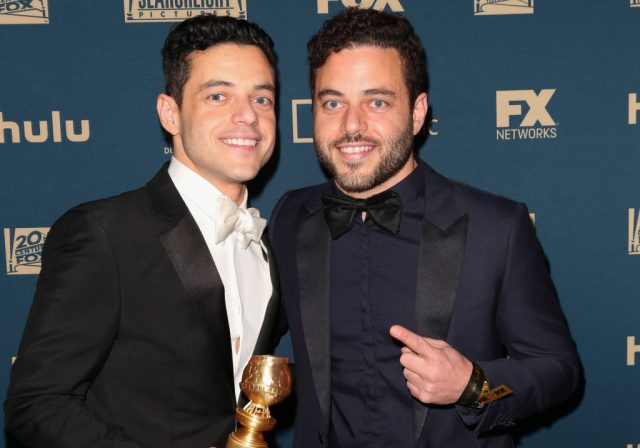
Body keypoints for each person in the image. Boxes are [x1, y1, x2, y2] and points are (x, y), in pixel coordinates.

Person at [268, 8, 581, 448]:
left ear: (417, 114)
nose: (351, 125)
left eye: (377, 101)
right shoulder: (289, 218)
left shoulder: (496, 227)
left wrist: (475, 386)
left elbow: (558, 371)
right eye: (333, 102)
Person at [4, 15, 280, 448]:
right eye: (218, 95)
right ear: (170, 112)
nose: (247, 115)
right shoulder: (104, 234)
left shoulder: (263, 244)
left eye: (262, 99)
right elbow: (37, 405)